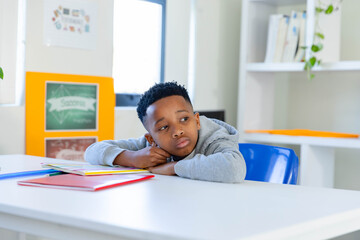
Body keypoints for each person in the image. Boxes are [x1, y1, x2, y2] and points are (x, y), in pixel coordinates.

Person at [85, 82, 246, 183]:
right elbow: (91, 152)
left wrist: (173, 168)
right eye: (163, 127)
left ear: (196, 120)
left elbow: (234, 170)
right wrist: (133, 158)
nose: (177, 131)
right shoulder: (149, 147)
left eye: (184, 119)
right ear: (151, 138)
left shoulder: (215, 139)